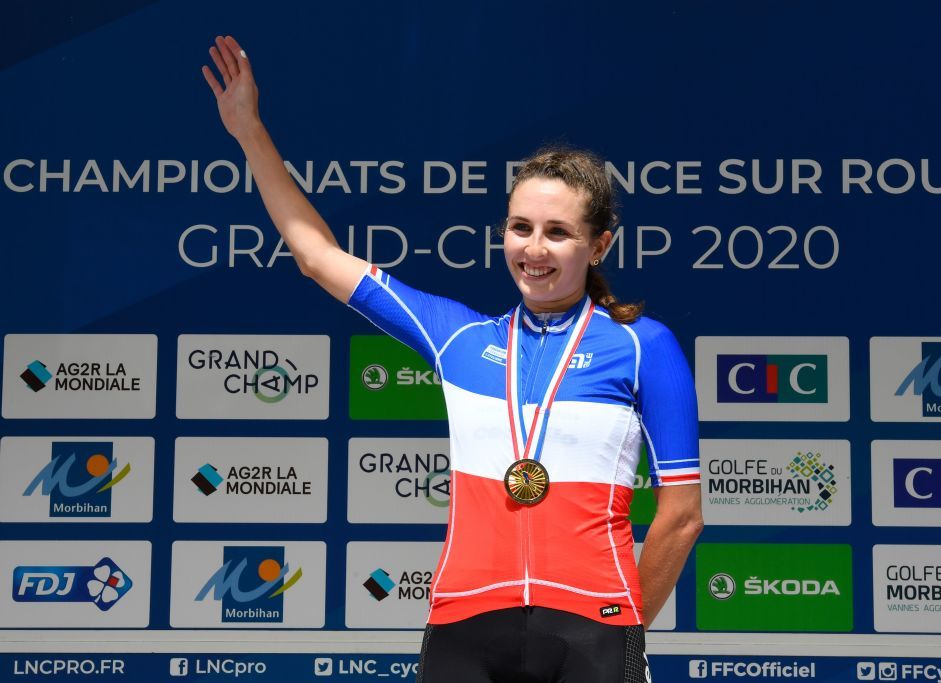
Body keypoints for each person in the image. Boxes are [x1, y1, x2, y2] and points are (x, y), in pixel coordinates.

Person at [202, 35, 703, 683]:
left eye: (558, 232)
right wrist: (249, 133)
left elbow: (682, 516)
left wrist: (624, 618)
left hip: (594, 626)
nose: (535, 248)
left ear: (599, 243)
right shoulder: (457, 337)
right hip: (467, 623)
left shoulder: (643, 346)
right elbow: (317, 257)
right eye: (521, 227)